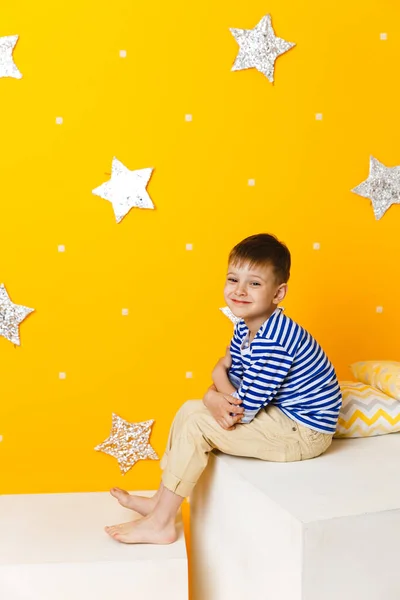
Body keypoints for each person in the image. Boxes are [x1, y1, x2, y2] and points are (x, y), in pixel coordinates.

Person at [105, 233, 342, 544]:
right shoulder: (246, 326)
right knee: (189, 409)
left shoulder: (274, 340)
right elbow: (236, 386)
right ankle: (160, 499)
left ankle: (161, 524)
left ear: (278, 293)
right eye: (233, 279)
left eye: (254, 283)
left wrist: (215, 378)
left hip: (304, 433)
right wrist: (210, 395)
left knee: (197, 426)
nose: (239, 290)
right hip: (279, 414)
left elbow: (239, 410)